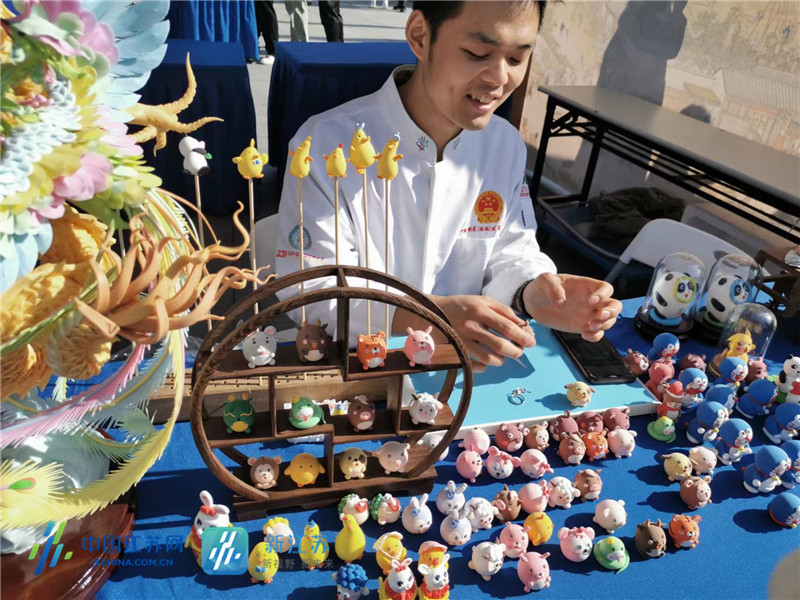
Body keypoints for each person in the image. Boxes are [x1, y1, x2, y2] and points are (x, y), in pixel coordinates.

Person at [273, 1, 622, 371]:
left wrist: (533, 290)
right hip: (358, 370)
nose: (499, 78)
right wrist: (428, 316)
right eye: (478, 53)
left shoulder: (503, 144)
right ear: (420, 36)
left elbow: (511, 247)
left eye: (517, 59)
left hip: (467, 370)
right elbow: (310, 290)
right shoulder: (327, 145)